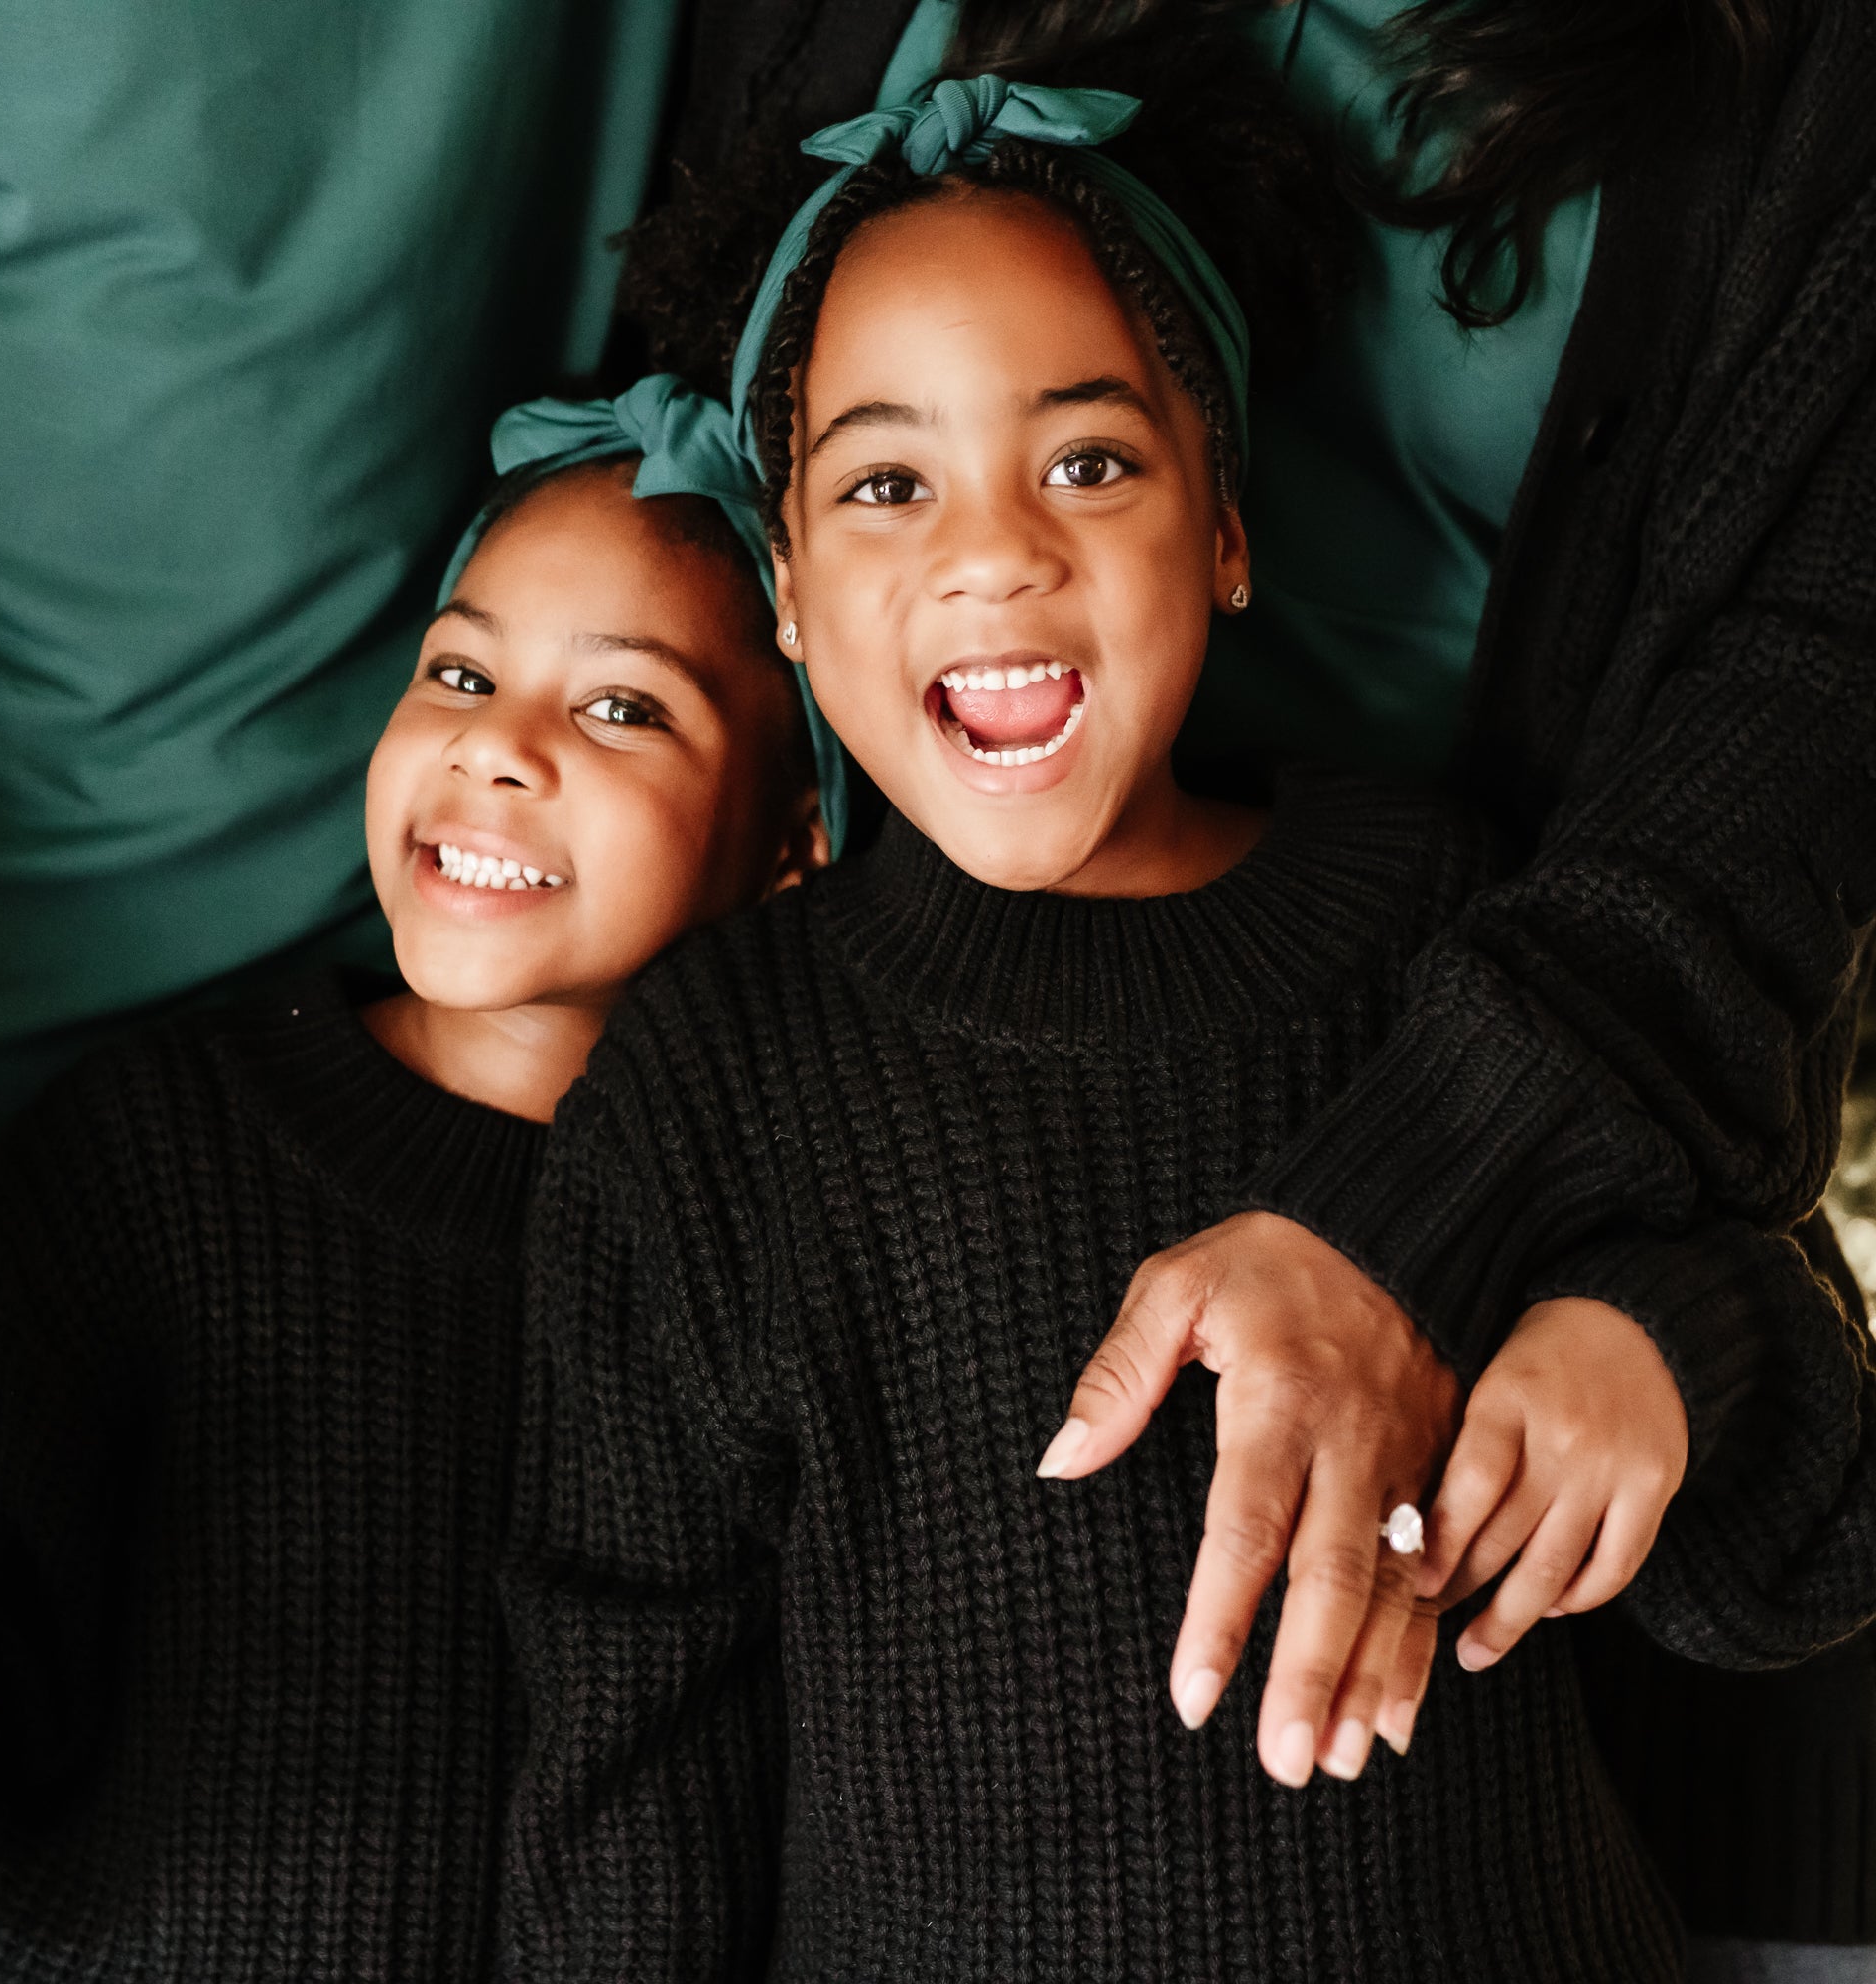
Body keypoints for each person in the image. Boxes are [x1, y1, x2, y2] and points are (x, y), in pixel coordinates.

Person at [498, 50, 1876, 1980]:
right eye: (887, 481)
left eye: (1087, 459)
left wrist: (1660, 1349)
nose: (995, 547)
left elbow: (1802, 1490)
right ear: (786, 591)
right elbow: (627, 1731)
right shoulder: (705, 1080)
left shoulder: (1453, 932)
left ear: (1226, 529)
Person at [0, 382, 825, 1983]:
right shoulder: (154, 1155)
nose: (497, 748)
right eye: (460, 672)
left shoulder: (800, 1241)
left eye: (625, 709)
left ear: (793, 845)